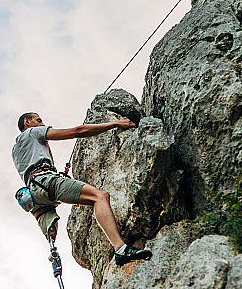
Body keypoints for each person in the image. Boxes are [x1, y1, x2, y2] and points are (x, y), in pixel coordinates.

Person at [12, 112, 152, 266]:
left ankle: (52, 247)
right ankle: (120, 249)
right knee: (100, 197)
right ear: (27, 122)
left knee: (51, 235)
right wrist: (116, 124)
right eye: (38, 120)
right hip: (46, 181)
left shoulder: (15, 149)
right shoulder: (33, 132)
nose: (42, 124)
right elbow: (78, 131)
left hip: (34, 195)